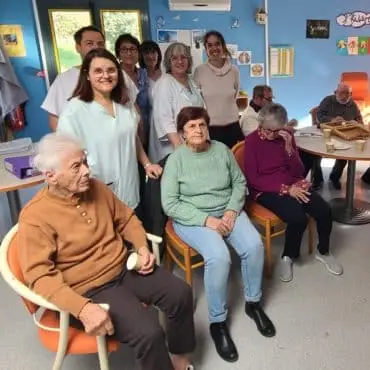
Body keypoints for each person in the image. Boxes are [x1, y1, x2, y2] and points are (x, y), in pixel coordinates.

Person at [18, 133, 195, 370]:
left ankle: (179, 359)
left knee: (180, 292)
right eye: (76, 167)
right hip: (90, 288)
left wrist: (142, 247)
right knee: (149, 333)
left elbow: (127, 219)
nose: (86, 171)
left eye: (84, 162)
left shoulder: (97, 188)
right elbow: (38, 276)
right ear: (51, 176)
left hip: (124, 267)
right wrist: (81, 308)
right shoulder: (35, 216)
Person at [161, 106, 275, 363]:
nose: (198, 130)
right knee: (219, 257)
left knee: (254, 246)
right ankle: (218, 322)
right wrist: (206, 220)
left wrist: (232, 211)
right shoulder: (176, 160)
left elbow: (239, 183)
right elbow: (170, 204)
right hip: (193, 218)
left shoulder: (222, 150)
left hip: (227, 211)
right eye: (191, 127)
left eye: (201, 124)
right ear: (182, 133)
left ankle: (253, 303)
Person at [244, 103, 343, 283]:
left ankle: (324, 251)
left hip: (292, 182)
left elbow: (298, 170)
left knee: (324, 210)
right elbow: (253, 179)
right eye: (268, 130)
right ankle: (288, 256)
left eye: (277, 131)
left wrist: (290, 149)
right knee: (298, 218)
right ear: (260, 124)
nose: (272, 135)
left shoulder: (286, 135)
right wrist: (287, 190)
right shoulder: (251, 141)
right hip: (266, 189)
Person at [57, 48, 161, 214]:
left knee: (131, 230)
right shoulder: (75, 110)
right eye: (98, 71)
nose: (105, 75)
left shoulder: (124, 104)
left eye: (111, 70)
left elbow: (131, 137)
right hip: (96, 189)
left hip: (130, 186)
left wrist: (147, 164)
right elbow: (66, 156)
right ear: (87, 74)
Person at [41, 26, 105, 131]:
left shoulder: (118, 75)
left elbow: (132, 108)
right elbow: (54, 118)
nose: (96, 47)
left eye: (100, 44)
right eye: (89, 43)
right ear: (78, 47)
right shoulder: (63, 80)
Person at [150, 42, 204, 163]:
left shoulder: (191, 81)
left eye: (183, 57)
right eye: (174, 58)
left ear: (189, 60)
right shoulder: (164, 83)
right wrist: (181, 151)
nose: (180, 61)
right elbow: (165, 120)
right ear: (168, 62)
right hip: (174, 148)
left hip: (194, 142)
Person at [194, 30, 244, 148]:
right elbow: (197, 100)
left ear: (223, 46)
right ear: (205, 49)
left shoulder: (234, 70)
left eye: (217, 44)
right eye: (209, 45)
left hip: (233, 127)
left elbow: (235, 95)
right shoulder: (199, 71)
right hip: (211, 129)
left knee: (236, 162)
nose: (214, 48)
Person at [315, 83, 364, 190]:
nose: (344, 96)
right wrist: (332, 119)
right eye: (341, 93)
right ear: (335, 92)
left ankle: (334, 177)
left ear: (351, 94)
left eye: (348, 93)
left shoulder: (353, 104)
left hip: (345, 134)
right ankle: (317, 179)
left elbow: (360, 119)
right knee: (315, 153)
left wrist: (356, 123)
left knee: (345, 156)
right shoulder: (328, 100)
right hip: (327, 132)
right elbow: (319, 115)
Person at [115, 34, 151, 148]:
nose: (129, 53)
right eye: (124, 49)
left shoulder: (144, 74)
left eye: (133, 49)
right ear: (118, 53)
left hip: (147, 126)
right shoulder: (114, 75)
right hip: (125, 129)